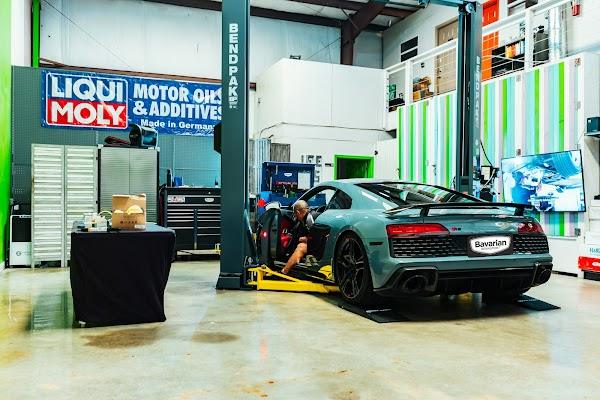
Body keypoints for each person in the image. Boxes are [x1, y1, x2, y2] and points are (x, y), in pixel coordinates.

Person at [281, 200, 314, 275]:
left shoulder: (310, 219)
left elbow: (315, 238)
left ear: (298, 212)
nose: (295, 216)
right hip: (315, 245)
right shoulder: (304, 218)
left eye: (295, 214)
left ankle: (284, 271)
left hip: (318, 247)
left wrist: (305, 239)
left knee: (301, 247)